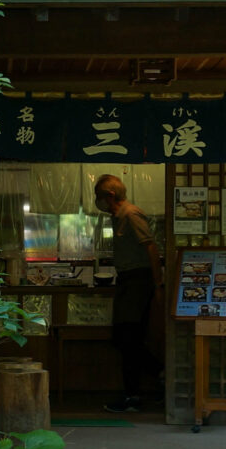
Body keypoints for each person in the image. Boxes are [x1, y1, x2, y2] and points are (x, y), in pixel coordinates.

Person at [93, 174, 160, 412]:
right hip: (128, 281)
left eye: (98, 197)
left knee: (128, 338)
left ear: (110, 196)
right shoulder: (117, 217)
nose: (97, 202)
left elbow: (150, 246)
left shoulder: (130, 215)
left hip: (138, 281)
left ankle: (142, 388)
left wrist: (157, 284)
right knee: (124, 339)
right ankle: (146, 384)